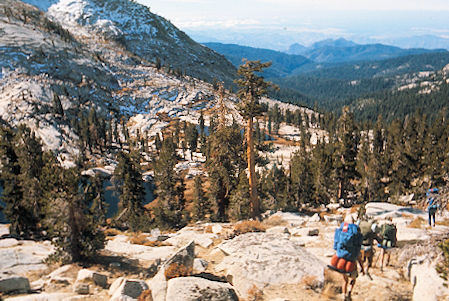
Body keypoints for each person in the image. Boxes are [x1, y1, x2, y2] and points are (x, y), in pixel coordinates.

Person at [333, 214, 363, 300]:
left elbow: (336, 245)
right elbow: (358, 248)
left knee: (344, 280)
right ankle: (350, 291)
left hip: (341, 257)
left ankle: (343, 295)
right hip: (352, 259)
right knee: (354, 277)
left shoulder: (342, 229)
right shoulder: (355, 230)